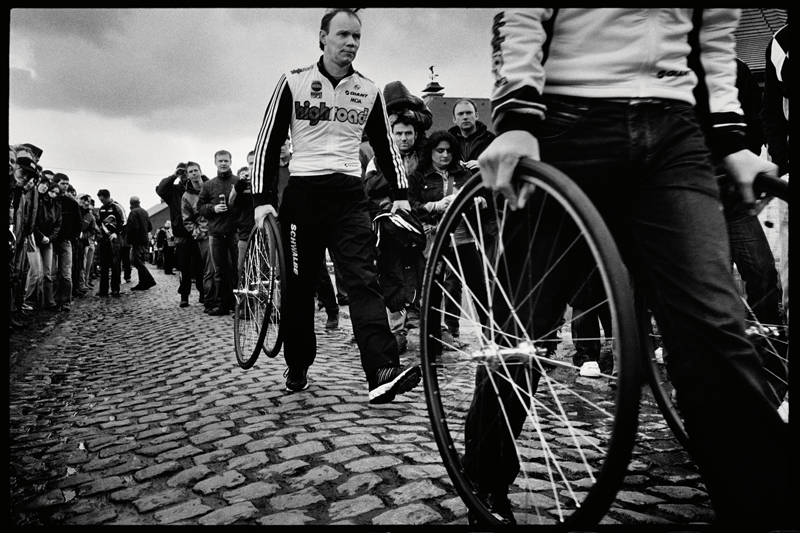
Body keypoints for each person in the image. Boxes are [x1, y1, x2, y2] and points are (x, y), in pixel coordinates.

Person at [469, 8, 789, 527]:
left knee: (714, 328)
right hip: (567, 121)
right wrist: (518, 118)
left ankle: (764, 507)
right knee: (524, 328)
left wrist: (731, 140)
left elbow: (714, 32)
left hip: (674, 132)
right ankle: (483, 478)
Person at [251, 7, 421, 403]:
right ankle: (298, 363)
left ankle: (381, 369)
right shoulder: (293, 82)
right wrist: (261, 201)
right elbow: (268, 141)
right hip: (303, 197)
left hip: (348, 197)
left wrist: (400, 197)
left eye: (357, 37)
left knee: (363, 280)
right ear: (323, 38)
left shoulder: (370, 90)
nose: (351, 43)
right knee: (299, 288)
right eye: (343, 34)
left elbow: (386, 146)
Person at [364, 113, 429, 353]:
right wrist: (396, 173)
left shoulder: (424, 157)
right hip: (390, 228)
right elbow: (369, 187)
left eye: (408, 133)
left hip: (420, 224)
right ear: (392, 135)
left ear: (415, 135)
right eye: (398, 133)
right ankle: (398, 331)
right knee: (392, 277)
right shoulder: (379, 159)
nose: (403, 138)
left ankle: (432, 331)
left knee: (426, 276)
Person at [408, 130, 475, 350]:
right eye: (440, 151)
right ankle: (433, 340)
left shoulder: (464, 173)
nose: (445, 155)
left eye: (449, 151)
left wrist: (478, 201)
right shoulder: (419, 175)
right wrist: (434, 206)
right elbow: (409, 207)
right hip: (434, 239)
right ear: (431, 152)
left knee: (477, 287)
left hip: (463, 238)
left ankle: (491, 338)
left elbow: (481, 197)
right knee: (433, 291)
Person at [197, 150, 240, 316]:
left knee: (238, 270)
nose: (223, 163)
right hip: (215, 233)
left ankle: (239, 305)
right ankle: (221, 304)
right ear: (215, 162)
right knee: (219, 272)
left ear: (231, 161)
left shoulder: (237, 182)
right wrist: (212, 208)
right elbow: (200, 207)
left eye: (226, 161)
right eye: (220, 161)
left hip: (234, 231)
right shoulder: (208, 185)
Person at [182, 161, 214, 311]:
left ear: (200, 171)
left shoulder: (212, 186)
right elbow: (187, 220)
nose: (194, 174)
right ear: (187, 175)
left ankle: (225, 299)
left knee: (225, 267)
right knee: (208, 269)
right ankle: (209, 300)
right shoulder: (186, 196)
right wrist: (198, 233)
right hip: (204, 235)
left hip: (219, 230)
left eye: (196, 170)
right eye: (190, 172)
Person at [51, 173, 81, 311]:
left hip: (65, 241)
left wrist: (72, 237)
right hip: (50, 240)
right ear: (56, 183)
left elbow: (78, 223)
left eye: (67, 183)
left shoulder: (71, 203)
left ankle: (66, 301)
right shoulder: (50, 199)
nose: (65, 186)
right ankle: (54, 300)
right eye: (63, 183)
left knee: (65, 273)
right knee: (51, 273)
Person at [448, 98, 496, 174]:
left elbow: (504, 165)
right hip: (456, 184)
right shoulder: (447, 141)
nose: (465, 117)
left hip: (482, 183)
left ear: (476, 116)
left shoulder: (491, 140)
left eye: (469, 113)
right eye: (460, 114)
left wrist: (483, 165)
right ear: (454, 119)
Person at [96, 189, 125, 298]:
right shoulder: (102, 209)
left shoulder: (117, 207)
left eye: (102, 199)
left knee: (115, 264)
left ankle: (115, 289)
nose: (101, 202)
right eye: (100, 200)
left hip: (115, 239)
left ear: (107, 197)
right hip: (104, 239)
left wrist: (116, 233)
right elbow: (100, 223)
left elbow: (124, 222)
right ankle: (103, 290)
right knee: (103, 265)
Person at [127, 196, 157, 291]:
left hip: (137, 241)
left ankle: (149, 280)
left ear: (131, 203)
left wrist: (130, 237)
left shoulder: (133, 212)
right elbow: (150, 227)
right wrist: (143, 233)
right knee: (141, 261)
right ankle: (142, 283)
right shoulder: (144, 212)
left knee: (136, 261)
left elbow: (133, 227)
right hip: (144, 240)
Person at [76, 193, 100, 295]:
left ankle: (82, 283)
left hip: (83, 242)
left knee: (83, 264)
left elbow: (94, 229)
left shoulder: (90, 215)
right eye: (83, 200)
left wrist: (83, 235)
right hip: (70, 241)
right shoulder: (74, 210)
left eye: (88, 201)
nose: (86, 203)